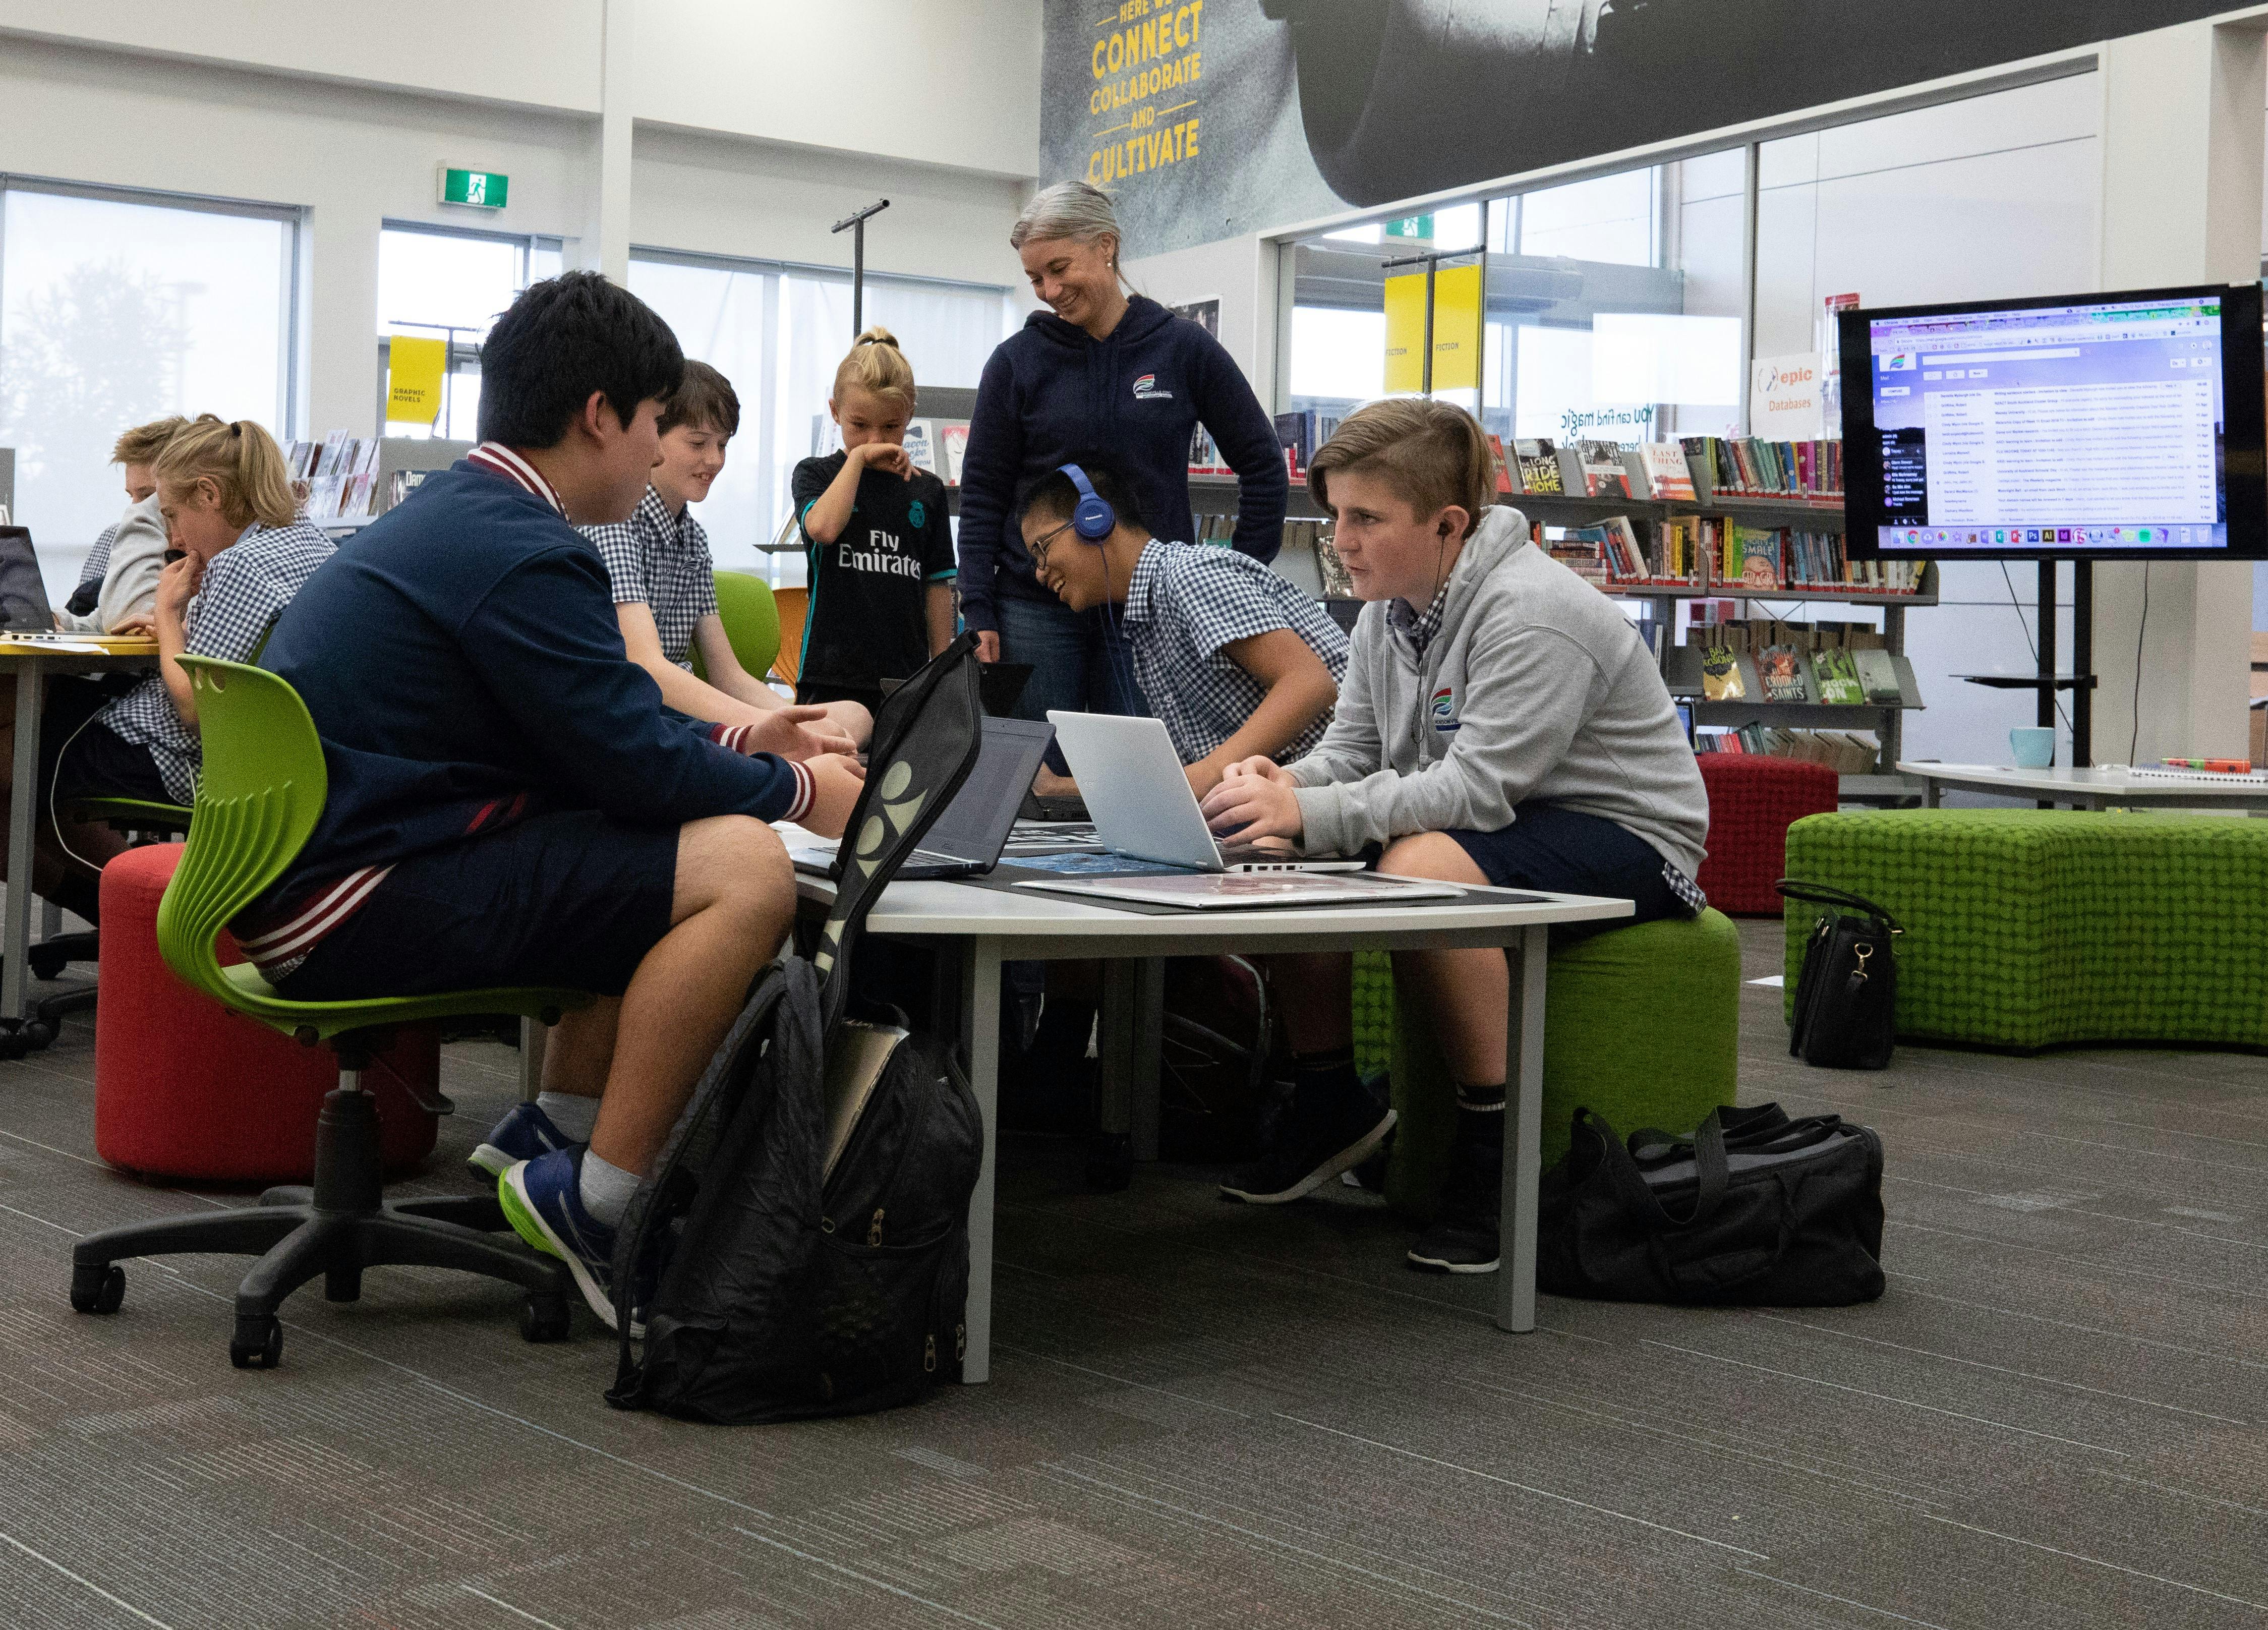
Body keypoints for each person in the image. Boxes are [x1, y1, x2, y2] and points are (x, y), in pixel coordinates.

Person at [242, 272, 866, 1327]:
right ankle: (605, 1204)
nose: (667, 448)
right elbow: (631, 764)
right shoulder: (527, 549)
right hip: (350, 900)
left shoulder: (466, 511)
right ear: (600, 417)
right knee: (742, 869)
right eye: (661, 423)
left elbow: (596, 723)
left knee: (647, 841)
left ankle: (554, 1139)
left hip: (326, 872)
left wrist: (740, 736)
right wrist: (801, 788)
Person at [1197, 397, 1710, 1274]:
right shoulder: (1385, 613)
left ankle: (1494, 1158)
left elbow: (1474, 790)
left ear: (1447, 524)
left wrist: (1312, 811)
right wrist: (1283, 786)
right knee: (1280, 844)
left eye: (1365, 519)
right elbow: (1351, 753)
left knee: (1422, 863)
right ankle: (1327, 1103)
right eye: (1335, 517)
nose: (1341, 540)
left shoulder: (1531, 613)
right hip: (1510, 817)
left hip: (1630, 834)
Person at [958, 181, 1288, 733]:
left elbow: (1261, 464)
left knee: (1148, 777)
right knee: (1038, 780)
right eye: (1035, 277)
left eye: (1060, 268)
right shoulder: (1015, 363)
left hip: (1152, 610)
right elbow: (984, 493)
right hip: (1034, 606)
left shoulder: (1183, 347)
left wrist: (1237, 576)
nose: (1048, 290)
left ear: (1106, 246)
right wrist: (979, 606)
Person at [8, 415, 335, 922]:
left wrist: (166, 612)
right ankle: (131, 914)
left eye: (173, 516)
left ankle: (149, 918)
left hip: (181, 756)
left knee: (16, 763)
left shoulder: (239, 564)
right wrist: (178, 628)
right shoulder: (313, 545)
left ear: (210, 494)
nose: (176, 538)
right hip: (276, 760)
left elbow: (193, 707)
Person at [1017, 454, 1347, 797]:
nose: (1039, 572)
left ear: (1094, 521)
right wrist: (1056, 788)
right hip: (1287, 789)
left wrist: (1206, 776)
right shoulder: (1147, 622)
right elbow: (1189, 779)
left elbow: (1309, 683)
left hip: (1337, 781)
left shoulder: (1188, 575)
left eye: (1042, 548)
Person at [579, 360, 866, 751]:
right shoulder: (616, 521)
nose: (714, 460)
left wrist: (791, 721)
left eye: (723, 444)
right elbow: (645, 665)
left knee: (855, 716)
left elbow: (726, 673)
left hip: (684, 711)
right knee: (816, 743)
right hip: (637, 716)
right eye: (698, 443)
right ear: (653, 436)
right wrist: (769, 727)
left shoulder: (692, 536)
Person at [790, 328, 958, 719]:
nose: (875, 439)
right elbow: (824, 529)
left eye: (890, 427)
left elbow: (936, 587)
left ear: (910, 416)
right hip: (831, 677)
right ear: (835, 412)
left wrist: (943, 672)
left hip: (905, 679)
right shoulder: (815, 473)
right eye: (859, 425)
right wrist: (858, 459)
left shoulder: (927, 492)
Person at [58, 416, 186, 631]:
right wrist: (62, 624)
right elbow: (110, 620)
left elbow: (131, 622)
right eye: (131, 497)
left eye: (149, 497)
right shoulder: (131, 541)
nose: (136, 510)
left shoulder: (211, 557)